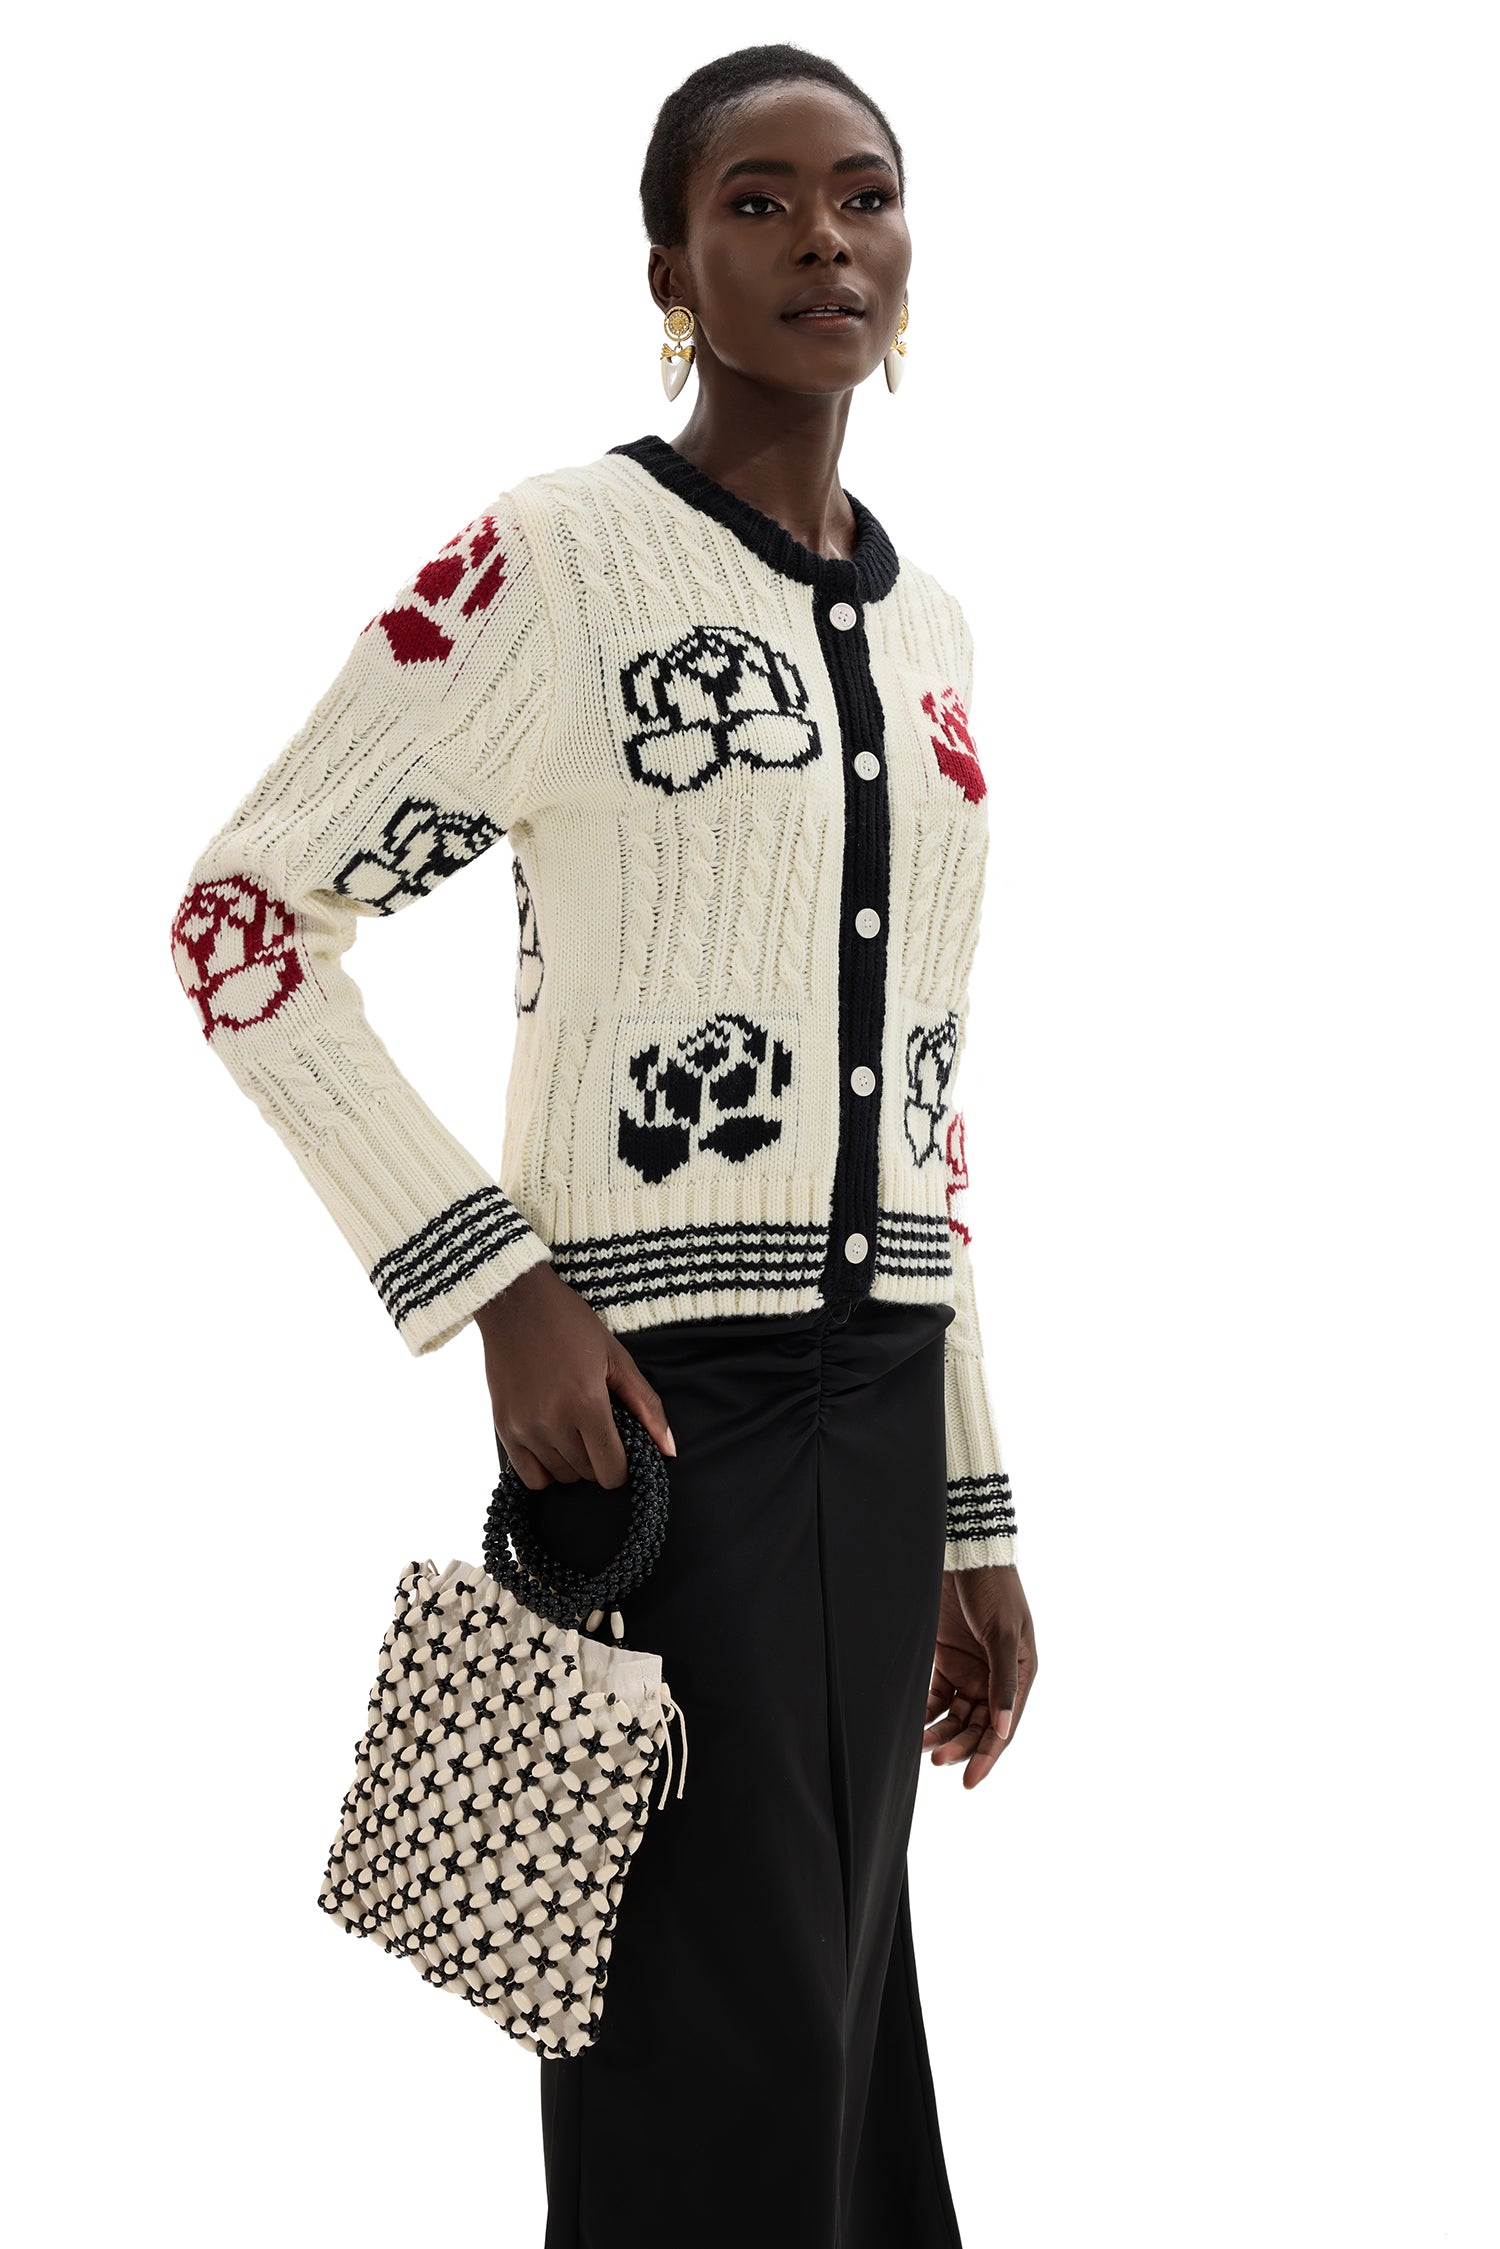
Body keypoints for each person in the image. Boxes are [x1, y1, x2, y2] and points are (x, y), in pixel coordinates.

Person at [170, 41, 1039, 2248]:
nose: (824, 236)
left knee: (843, 2050)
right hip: (662, 1422)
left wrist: (970, 1500)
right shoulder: (556, 563)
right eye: (758, 201)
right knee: (706, 2058)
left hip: (880, 1418)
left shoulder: (932, 631)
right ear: (671, 270)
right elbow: (246, 921)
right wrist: (492, 1279)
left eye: (866, 194)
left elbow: (923, 1098)